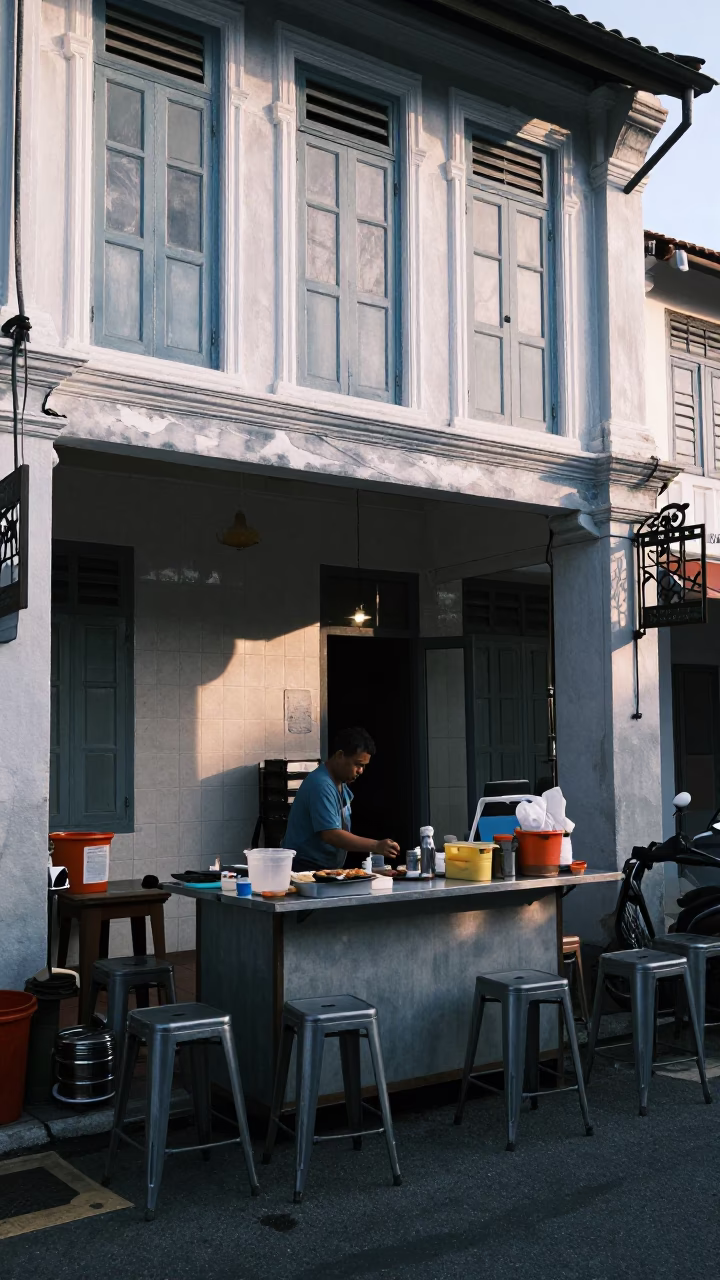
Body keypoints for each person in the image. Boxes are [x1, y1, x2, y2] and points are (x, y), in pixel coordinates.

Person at [283, 726, 400, 872]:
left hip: (327, 869)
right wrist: (376, 846)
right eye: (358, 764)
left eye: (364, 766)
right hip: (306, 870)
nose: (361, 771)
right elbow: (331, 834)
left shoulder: (341, 785)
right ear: (340, 755)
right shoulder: (321, 785)